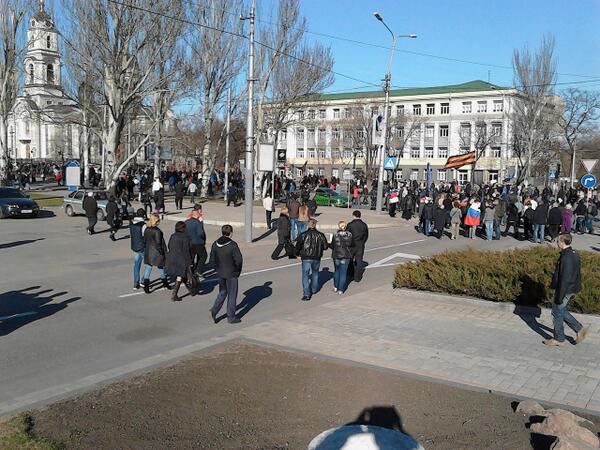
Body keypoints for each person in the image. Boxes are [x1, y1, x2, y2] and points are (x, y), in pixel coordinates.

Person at [543, 233, 589, 346]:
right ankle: (579, 329)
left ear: (563, 242)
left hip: (566, 289)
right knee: (560, 310)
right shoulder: (573, 253)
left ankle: (559, 338)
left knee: (557, 311)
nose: (557, 243)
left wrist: (559, 296)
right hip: (571, 288)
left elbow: (565, 279)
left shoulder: (567, 257)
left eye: (558, 241)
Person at [209, 225, 243, 324]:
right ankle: (231, 317)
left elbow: (212, 260)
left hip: (220, 273)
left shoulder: (215, 244)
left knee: (222, 292)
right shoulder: (232, 245)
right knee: (232, 295)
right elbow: (239, 260)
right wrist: (237, 272)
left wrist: (217, 269)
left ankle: (214, 310)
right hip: (231, 273)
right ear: (231, 233)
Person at [295, 218, 328, 301]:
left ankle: (306, 294)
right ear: (315, 225)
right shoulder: (320, 235)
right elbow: (325, 247)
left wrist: (297, 254)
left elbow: (298, 246)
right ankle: (314, 288)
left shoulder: (303, 234)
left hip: (306, 257)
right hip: (316, 257)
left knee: (305, 275)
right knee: (315, 273)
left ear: (308, 225)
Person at [142, 214, 171, 293]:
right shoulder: (157, 231)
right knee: (161, 267)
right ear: (156, 221)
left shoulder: (147, 229)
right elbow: (158, 244)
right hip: (157, 253)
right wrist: (162, 252)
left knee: (148, 268)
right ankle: (165, 283)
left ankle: (146, 286)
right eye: (158, 221)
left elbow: (144, 241)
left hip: (148, 251)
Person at [166, 221, 193, 302]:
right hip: (182, 259)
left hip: (172, 257)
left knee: (181, 275)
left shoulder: (173, 236)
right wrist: (190, 262)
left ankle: (190, 290)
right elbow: (187, 250)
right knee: (180, 275)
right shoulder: (186, 237)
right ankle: (174, 295)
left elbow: (169, 246)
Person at [330, 221, 353, 295]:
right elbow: (352, 244)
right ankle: (341, 289)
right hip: (346, 255)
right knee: (343, 273)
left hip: (336, 255)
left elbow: (332, 245)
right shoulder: (349, 235)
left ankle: (335, 287)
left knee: (337, 271)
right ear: (345, 227)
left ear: (339, 227)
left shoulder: (335, 235)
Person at [346, 210, 369, 283]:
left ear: (353, 215)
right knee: (359, 261)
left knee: (350, 260)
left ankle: (350, 275)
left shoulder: (350, 224)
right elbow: (366, 235)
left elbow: (347, 235)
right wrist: (362, 242)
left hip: (351, 245)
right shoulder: (364, 225)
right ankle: (357, 277)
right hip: (360, 245)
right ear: (360, 216)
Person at [185, 204, 207, 277]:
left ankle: (190, 270)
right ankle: (198, 270)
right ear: (197, 213)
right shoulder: (198, 222)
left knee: (191, 257)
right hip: (198, 242)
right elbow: (201, 233)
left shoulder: (186, 221)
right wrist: (203, 238)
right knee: (203, 256)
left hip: (189, 242)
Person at [130, 209, 146, 290]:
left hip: (134, 246)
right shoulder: (143, 225)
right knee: (148, 264)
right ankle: (143, 281)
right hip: (142, 247)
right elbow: (145, 236)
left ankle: (136, 283)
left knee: (136, 265)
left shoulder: (132, 223)